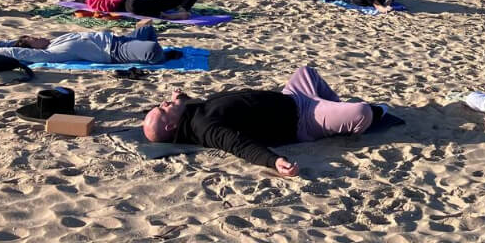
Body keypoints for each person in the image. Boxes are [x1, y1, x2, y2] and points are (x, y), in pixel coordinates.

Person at [142, 65, 388, 176]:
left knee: (306, 72)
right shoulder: (204, 128)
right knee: (362, 113)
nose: (163, 104)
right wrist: (275, 161)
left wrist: (179, 98)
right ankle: (373, 114)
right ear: (171, 126)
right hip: (303, 119)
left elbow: (188, 103)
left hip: (292, 97)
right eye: (162, 110)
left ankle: (335, 108)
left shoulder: (192, 112)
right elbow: (239, 145)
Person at [0, 22, 176, 65]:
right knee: (152, 50)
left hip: (118, 38)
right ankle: (161, 57)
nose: (38, 37)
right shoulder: (50, 54)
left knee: (147, 27)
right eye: (34, 40)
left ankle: (146, 52)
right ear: (32, 49)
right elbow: (15, 50)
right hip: (115, 51)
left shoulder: (54, 41)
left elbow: (12, 41)